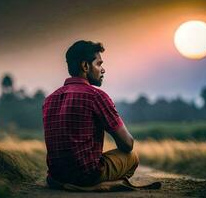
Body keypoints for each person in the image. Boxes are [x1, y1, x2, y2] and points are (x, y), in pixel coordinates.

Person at [42, 40, 139, 188]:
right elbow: (127, 144)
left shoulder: (49, 100)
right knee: (131, 157)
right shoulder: (96, 96)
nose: (103, 70)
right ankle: (100, 185)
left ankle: (72, 184)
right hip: (86, 175)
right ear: (85, 66)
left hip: (56, 177)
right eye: (99, 64)